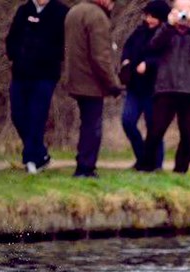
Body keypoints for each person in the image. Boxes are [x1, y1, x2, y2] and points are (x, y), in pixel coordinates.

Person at [137, 0, 190, 174]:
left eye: (186, 11)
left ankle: (180, 171)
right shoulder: (166, 31)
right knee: (155, 131)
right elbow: (153, 45)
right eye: (179, 10)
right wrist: (168, 25)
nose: (183, 15)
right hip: (166, 88)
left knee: (188, 135)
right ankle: (146, 167)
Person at [5, 0, 70, 175]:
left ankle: (31, 159)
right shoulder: (23, 10)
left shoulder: (61, 12)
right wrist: (15, 54)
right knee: (18, 114)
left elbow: (66, 42)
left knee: (37, 115)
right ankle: (40, 154)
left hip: (45, 75)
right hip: (21, 72)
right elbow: (12, 37)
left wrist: (53, 57)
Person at [63, 0, 122, 178]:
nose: (113, 4)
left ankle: (83, 162)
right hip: (91, 82)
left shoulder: (74, 12)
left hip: (75, 77)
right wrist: (113, 84)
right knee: (92, 126)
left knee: (86, 124)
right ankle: (86, 168)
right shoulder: (97, 16)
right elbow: (100, 57)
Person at [120, 0, 170, 171]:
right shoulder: (139, 31)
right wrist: (125, 61)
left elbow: (165, 58)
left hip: (154, 89)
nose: (148, 19)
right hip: (134, 86)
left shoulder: (165, 35)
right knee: (128, 121)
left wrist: (149, 64)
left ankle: (156, 164)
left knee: (154, 127)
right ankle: (143, 158)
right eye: (147, 15)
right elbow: (127, 48)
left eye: (153, 17)